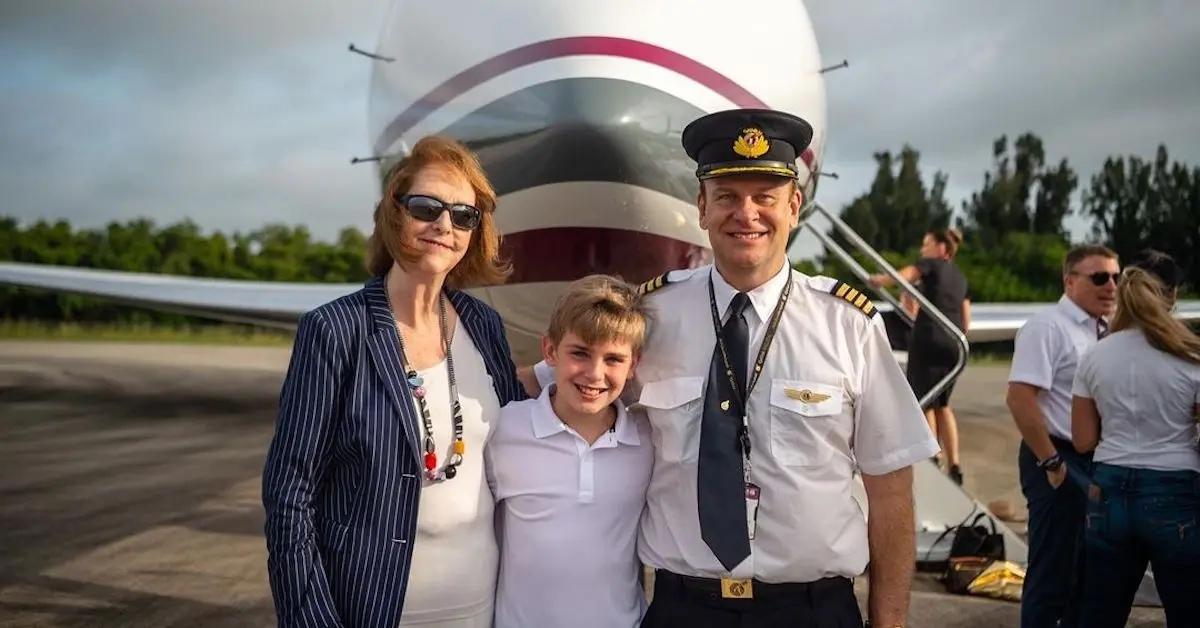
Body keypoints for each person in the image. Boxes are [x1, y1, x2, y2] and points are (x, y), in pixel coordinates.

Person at [526, 109, 939, 627]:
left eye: (765, 197)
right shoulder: (651, 317)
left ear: (795, 206)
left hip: (812, 611)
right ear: (701, 207)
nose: (746, 213)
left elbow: (892, 489)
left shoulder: (849, 325)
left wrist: (890, 624)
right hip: (685, 609)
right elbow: (562, 382)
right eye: (726, 196)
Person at [262, 135, 524, 627]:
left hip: (481, 607)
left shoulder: (483, 326)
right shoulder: (335, 331)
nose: (445, 225)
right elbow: (289, 496)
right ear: (393, 212)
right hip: (372, 608)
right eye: (427, 207)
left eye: (463, 215)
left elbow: (518, 439)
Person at [486, 274, 654, 628]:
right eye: (580, 353)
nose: (595, 374)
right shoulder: (503, 430)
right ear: (550, 351)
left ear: (633, 365)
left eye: (613, 359)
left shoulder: (648, 440)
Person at [1070, 250, 1200, 628]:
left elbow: (1082, 439)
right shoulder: (1190, 355)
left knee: (1101, 612)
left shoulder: (1095, 355)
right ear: (1172, 296)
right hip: (1175, 489)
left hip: (1108, 488)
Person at [1006, 244, 1119, 628]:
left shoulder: (1106, 328)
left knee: (1085, 575)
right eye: (1100, 277)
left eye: (1117, 277)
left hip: (1093, 459)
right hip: (1055, 456)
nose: (1112, 286)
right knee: (1052, 571)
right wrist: (1052, 463)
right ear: (1070, 281)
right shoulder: (1048, 326)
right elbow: (1020, 398)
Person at [869, 229, 971, 485]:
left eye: (926, 245)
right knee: (943, 405)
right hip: (954, 345)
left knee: (922, 402)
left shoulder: (931, 265)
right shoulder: (960, 277)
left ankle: (933, 457)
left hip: (928, 340)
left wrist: (882, 280)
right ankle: (955, 464)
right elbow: (966, 318)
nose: (922, 250)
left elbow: (907, 275)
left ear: (940, 248)